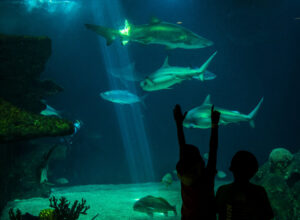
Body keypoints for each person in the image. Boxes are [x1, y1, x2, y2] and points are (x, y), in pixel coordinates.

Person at [173, 104, 220, 220]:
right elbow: (213, 148)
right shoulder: (207, 176)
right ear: (201, 162)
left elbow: (182, 146)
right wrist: (214, 124)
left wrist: (179, 124)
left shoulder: (183, 176)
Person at [216, 151, 274, 220]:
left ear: (232, 169)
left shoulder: (222, 190)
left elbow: (216, 211)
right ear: (253, 172)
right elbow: (268, 215)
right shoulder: (259, 191)